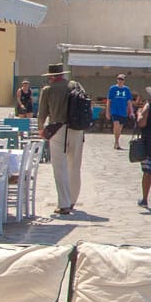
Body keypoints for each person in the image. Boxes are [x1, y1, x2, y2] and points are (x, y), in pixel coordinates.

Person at [36, 63, 89, 216]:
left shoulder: (48, 90)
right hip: (77, 129)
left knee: (60, 168)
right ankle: (73, 200)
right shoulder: (75, 85)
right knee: (75, 166)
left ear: (51, 77)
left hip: (57, 129)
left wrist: (41, 129)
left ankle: (64, 203)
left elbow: (42, 114)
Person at [108, 73, 135, 151]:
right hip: (114, 110)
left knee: (120, 128)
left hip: (123, 111)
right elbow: (109, 100)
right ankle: (116, 142)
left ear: (124, 81)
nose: (120, 81)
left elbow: (129, 101)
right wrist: (108, 111)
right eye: (119, 79)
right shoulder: (112, 88)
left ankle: (117, 141)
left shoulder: (126, 89)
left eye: (122, 79)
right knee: (116, 125)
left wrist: (131, 112)